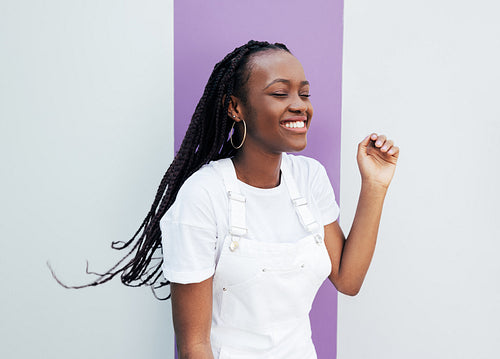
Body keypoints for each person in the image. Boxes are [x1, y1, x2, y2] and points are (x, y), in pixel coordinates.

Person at [56, 40, 398, 358]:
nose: (299, 105)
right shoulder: (203, 195)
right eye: (280, 92)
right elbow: (195, 347)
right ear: (235, 107)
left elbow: (347, 279)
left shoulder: (310, 178)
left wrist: (375, 185)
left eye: (304, 94)